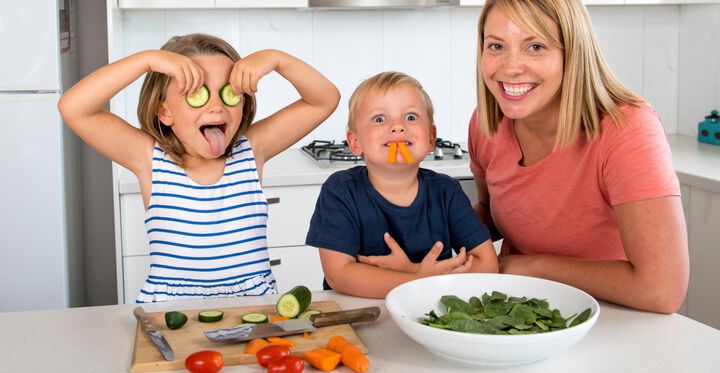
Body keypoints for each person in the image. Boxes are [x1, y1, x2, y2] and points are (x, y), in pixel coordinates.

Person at [59, 33, 340, 302]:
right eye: (197, 94)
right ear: (164, 111)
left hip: (253, 308)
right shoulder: (149, 158)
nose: (217, 107)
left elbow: (324, 99)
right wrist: (146, 60)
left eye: (228, 93)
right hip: (171, 311)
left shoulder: (251, 150)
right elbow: (74, 107)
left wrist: (277, 59)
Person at [468, 0, 688, 313]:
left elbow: (662, 290)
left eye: (535, 46)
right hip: (518, 312)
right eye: (496, 46)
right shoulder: (486, 123)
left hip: (615, 319)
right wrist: (415, 223)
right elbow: (492, 214)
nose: (510, 67)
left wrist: (530, 268)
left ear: (572, 53)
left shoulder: (626, 129)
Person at [305, 72, 499, 298]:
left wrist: (415, 273)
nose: (397, 126)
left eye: (411, 117)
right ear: (355, 142)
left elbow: (488, 265)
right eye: (380, 119)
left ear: (430, 137)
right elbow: (338, 274)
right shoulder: (340, 191)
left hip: (429, 311)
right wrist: (418, 279)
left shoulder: (447, 192)